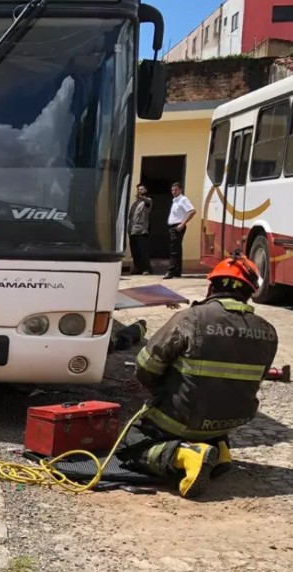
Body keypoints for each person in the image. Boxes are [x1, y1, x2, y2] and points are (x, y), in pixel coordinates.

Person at [119, 252, 278, 498]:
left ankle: (186, 456)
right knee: (214, 408)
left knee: (131, 444)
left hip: (182, 418)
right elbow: (255, 380)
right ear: (248, 293)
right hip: (231, 420)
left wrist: (162, 391)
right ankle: (220, 449)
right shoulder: (268, 331)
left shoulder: (190, 319)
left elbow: (145, 369)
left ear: (211, 287)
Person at [165, 182, 196, 279]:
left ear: (180, 190)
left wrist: (183, 224)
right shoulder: (175, 200)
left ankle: (170, 271)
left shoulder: (183, 200)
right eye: (172, 190)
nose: (173, 192)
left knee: (174, 249)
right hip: (173, 227)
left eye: (176, 190)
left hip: (177, 227)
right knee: (177, 249)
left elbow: (192, 211)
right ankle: (177, 271)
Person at [128, 183, 152, 275]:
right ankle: (138, 268)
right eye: (138, 189)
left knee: (143, 251)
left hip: (141, 230)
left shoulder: (147, 201)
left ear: (145, 191)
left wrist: (140, 197)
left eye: (141, 189)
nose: (139, 191)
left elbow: (147, 201)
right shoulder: (135, 203)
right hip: (132, 230)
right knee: (135, 252)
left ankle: (146, 269)